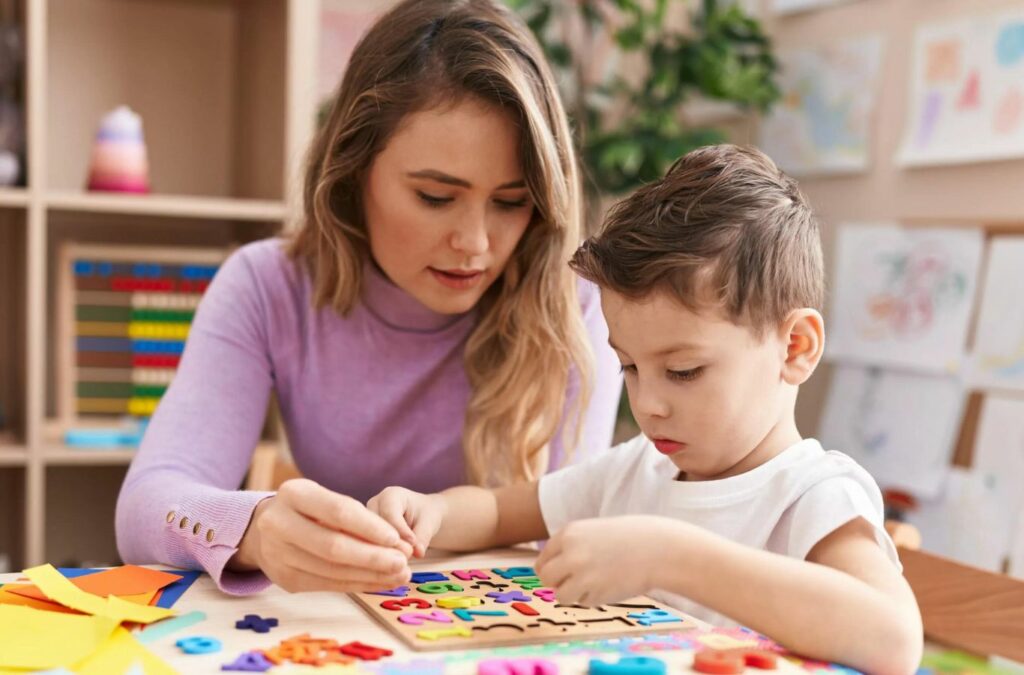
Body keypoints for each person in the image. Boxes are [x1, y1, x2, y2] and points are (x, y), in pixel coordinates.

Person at [115, 0, 622, 597]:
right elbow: (147, 506)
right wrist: (252, 528)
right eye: (436, 196)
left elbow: (574, 532)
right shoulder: (266, 287)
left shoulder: (578, 301)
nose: (476, 243)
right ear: (354, 171)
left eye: (511, 201)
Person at [368, 145, 924, 674]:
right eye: (629, 368)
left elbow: (894, 641)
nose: (648, 404)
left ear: (795, 347)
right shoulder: (637, 469)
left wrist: (671, 555)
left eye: (684, 371)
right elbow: (497, 513)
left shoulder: (814, 495)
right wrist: (431, 511)